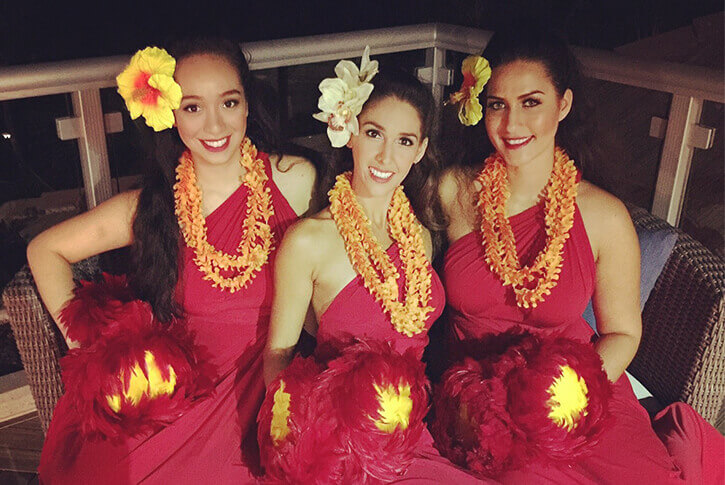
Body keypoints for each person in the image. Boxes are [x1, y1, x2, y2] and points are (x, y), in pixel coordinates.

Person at [438, 27, 723, 484]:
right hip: (478, 400)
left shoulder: (603, 216)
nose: (512, 125)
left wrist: (565, 393)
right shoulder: (453, 191)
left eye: (531, 102)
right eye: (497, 104)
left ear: (563, 105)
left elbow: (624, 333)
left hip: (574, 392)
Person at [28, 38, 316, 484]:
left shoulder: (296, 181)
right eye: (193, 107)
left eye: (229, 102)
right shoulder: (151, 207)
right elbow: (44, 249)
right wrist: (95, 353)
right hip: (178, 397)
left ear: (246, 107)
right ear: (170, 115)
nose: (215, 124)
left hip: (261, 390)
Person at [263, 50, 491, 483]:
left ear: (420, 150)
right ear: (348, 132)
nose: (386, 156)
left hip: (415, 434)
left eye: (404, 141)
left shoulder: (420, 233)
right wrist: (303, 441)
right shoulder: (308, 240)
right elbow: (278, 355)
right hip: (343, 447)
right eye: (374, 133)